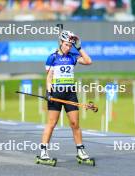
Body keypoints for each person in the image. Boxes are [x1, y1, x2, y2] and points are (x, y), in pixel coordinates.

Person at [39, 30, 92, 163]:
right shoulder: (52, 57)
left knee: (75, 124)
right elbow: (49, 77)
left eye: (70, 45)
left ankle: (80, 151)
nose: (68, 47)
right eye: (66, 44)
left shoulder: (73, 56)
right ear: (61, 42)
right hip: (56, 93)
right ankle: (43, 152)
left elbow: (88, 61)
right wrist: (48, 92)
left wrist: (79, 47)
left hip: (70, 94)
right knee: (52, 123)